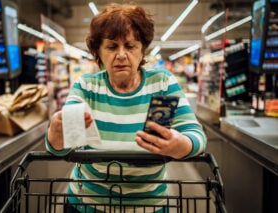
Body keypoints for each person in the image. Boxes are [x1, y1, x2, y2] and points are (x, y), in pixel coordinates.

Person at [45, 2, 207, 212]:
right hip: (87, 204)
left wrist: (181, 145)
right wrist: (56, 135)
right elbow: (61, 147)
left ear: (142, 50)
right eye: (112, 47)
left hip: (148, 207)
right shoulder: (87, 86)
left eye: (130, 46)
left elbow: (196, 135)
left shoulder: (162, 84)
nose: (121, 54)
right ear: (98, 52)